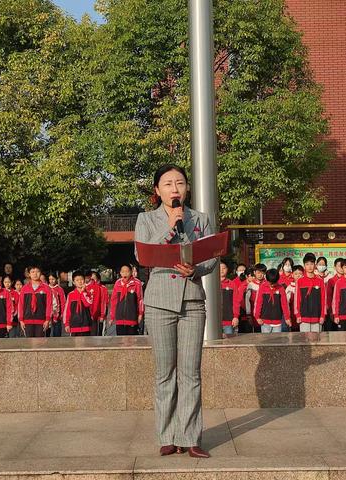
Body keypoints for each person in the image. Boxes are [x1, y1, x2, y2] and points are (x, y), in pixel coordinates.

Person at [134, 164, 217, 458]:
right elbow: (142, 255)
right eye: (168, 184)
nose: (174, 189)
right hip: (159, 302)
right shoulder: (146, 219)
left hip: (192, 299)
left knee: (190, 372)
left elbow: (212, 258)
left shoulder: (201, 219)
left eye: (179, 183)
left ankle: (191, 436)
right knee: (164, 372)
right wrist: (171, 226)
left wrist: (197, 268)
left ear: (187, 188)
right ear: (157, 191)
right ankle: (168, 435)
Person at [18, 265, 53, 337]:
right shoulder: (24, 288)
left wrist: (47, 320)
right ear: (29, 274)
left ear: (40, 273)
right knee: (29, 343)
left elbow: (49, 305)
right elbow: (21, 305)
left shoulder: (46, 288)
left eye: (37, 271)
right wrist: (21, 320)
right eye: (32, 272)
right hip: (27, 320)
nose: (35, 274)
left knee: (40, 343)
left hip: (41, 320)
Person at [295, 254, 326, 333]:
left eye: (312, 264)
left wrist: (322, 315)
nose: (309, 266)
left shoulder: (320, 281)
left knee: (317, 342)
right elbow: (297, 300)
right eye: (307, 264)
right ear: (304, 265)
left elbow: (323, 299)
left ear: (315, 265)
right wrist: (298, 315)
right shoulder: (300, 281)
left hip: (317, 317)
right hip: (303, 317)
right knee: (304, 342)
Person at [110, 265, 144, 336]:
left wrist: (140, 314)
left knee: (132, 340)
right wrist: (112, 317)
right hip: (120, 318)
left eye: (127, 271)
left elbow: (140, 299)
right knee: (120, 340)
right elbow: (114, 301)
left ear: (131, 272)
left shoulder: (137, 283)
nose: (125, 273)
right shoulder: (118, 283)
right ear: (120, 273)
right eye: (123, 271)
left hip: (132, 317)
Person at [254, 268, 290, 333]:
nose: (272, 285)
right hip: (264, 321)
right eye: (271, 282)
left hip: (277, 321)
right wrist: (257, 317)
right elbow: (258, 303)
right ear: (267, 279)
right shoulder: (262, 287)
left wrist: (287, 318)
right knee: (265, 342)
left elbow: (284, 304)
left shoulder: (281, 288)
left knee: (276, 341)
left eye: (274, 283)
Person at [63, 270, 93, 336]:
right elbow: (67, 310)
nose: (80, 282)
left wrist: (83, 292)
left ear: (84, 280)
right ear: (74, 282)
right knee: (75, 345)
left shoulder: (88, 293)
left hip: (86, 325)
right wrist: (66, 324)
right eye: (77, 280)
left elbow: (88, 304)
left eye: (81, 279)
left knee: (86, 345)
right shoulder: (70, 295)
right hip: (74, 325)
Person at [245, 263, 266, 333]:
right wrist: (248, 314)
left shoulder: (267, 284)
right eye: (258, 273)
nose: (260, 275)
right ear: (254, 273)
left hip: (266, 314)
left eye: (262, 273)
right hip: (254, 314)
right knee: (257, 332)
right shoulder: (251, 285)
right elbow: (247, 300)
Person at [219, 262, 238, 336]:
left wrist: (236, 317)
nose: (221, 270)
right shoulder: (212, 284)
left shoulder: (232, 284)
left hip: (228, 320)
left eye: (224, 268)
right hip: (213, 321)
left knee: (229, 343)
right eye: (219, 268)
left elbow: (236, 302)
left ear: (227, 270)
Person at [326, 257, 344, 331]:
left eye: (342, 266)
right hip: (334, 311)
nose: (341, 268)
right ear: (334, 267)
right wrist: (331, 312)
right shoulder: (331, 281)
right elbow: (329, 297)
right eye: (339, 266)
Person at [285, 265, 304, 332]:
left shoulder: (305, 286)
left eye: (300, 274)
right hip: (293, 316)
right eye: (296, 274)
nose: (298, 276)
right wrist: (287, 316)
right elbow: (286, 303)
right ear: (292, 275)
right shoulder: (290, 288)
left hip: (305, 315)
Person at [48, 272, 66, 337]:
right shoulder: (46, 288)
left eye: (53, 279)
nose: (51, 281)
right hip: (48, 313)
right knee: (47, 330)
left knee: (57, 330)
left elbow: (63, 302)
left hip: (57, 313)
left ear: (56, 279)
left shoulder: (60, 289)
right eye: (50, 279)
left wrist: (62, 313)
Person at [91, 271, 109, 336]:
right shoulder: (87, 288)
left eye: (93, 279)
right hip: (90, 317)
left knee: (100, 334)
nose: (91, 281)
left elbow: (104, 303)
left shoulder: (103, 289)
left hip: (99, 316)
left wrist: (102, 315)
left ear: (98, 280)